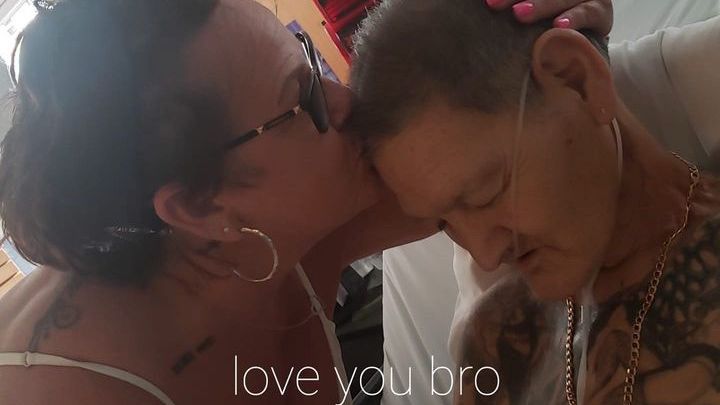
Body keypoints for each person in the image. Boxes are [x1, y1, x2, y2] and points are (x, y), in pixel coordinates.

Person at [0, 0, 612, 404]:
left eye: (310, 60)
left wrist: (553, 25)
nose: (343, 100)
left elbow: (496, 136)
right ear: (200, 208)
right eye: (302, 101)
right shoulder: (70, 390)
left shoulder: (293, 216)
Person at [350, 0, 720, 403]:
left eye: (485, 193)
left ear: (575, 78)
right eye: (445, 224)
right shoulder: (495, 338)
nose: (486, 257)